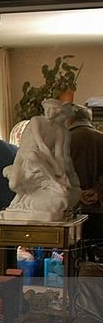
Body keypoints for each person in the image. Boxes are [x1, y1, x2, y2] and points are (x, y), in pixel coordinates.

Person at [2, 98, 80, 220]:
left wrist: (61, 173)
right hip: (23, 156)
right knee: (14, 184)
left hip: (40, 158)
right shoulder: (36, 120)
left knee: (34, 156)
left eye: (52, 109)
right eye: (47, 109)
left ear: (58, 111)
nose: (49, 112)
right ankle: (22, 195)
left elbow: (59, 155)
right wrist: (55, 167)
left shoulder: (58, 131)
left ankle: (53, 183)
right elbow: (41, 145)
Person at [67, 103, 103, 256]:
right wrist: (98, 189)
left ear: (70, 119)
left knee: (73, 258)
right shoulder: (100, 138)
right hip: (99, 208)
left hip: (71, 210)